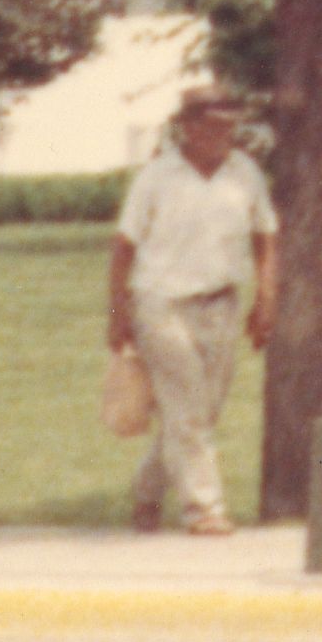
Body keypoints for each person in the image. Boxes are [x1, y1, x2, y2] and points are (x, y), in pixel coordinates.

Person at [107, 84, 280, 540]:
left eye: (229, 125)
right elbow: (123, 248)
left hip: (221, 301)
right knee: (187, 408)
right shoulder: (157, 177)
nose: (221, 134)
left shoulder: (245, 172)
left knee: (202, 412)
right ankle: (204, 509)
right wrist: (116, 313)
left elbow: (266, 238)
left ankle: (146, 492)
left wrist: (266, 297)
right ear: (185, 127)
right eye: (211, 125)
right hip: (159, 303)